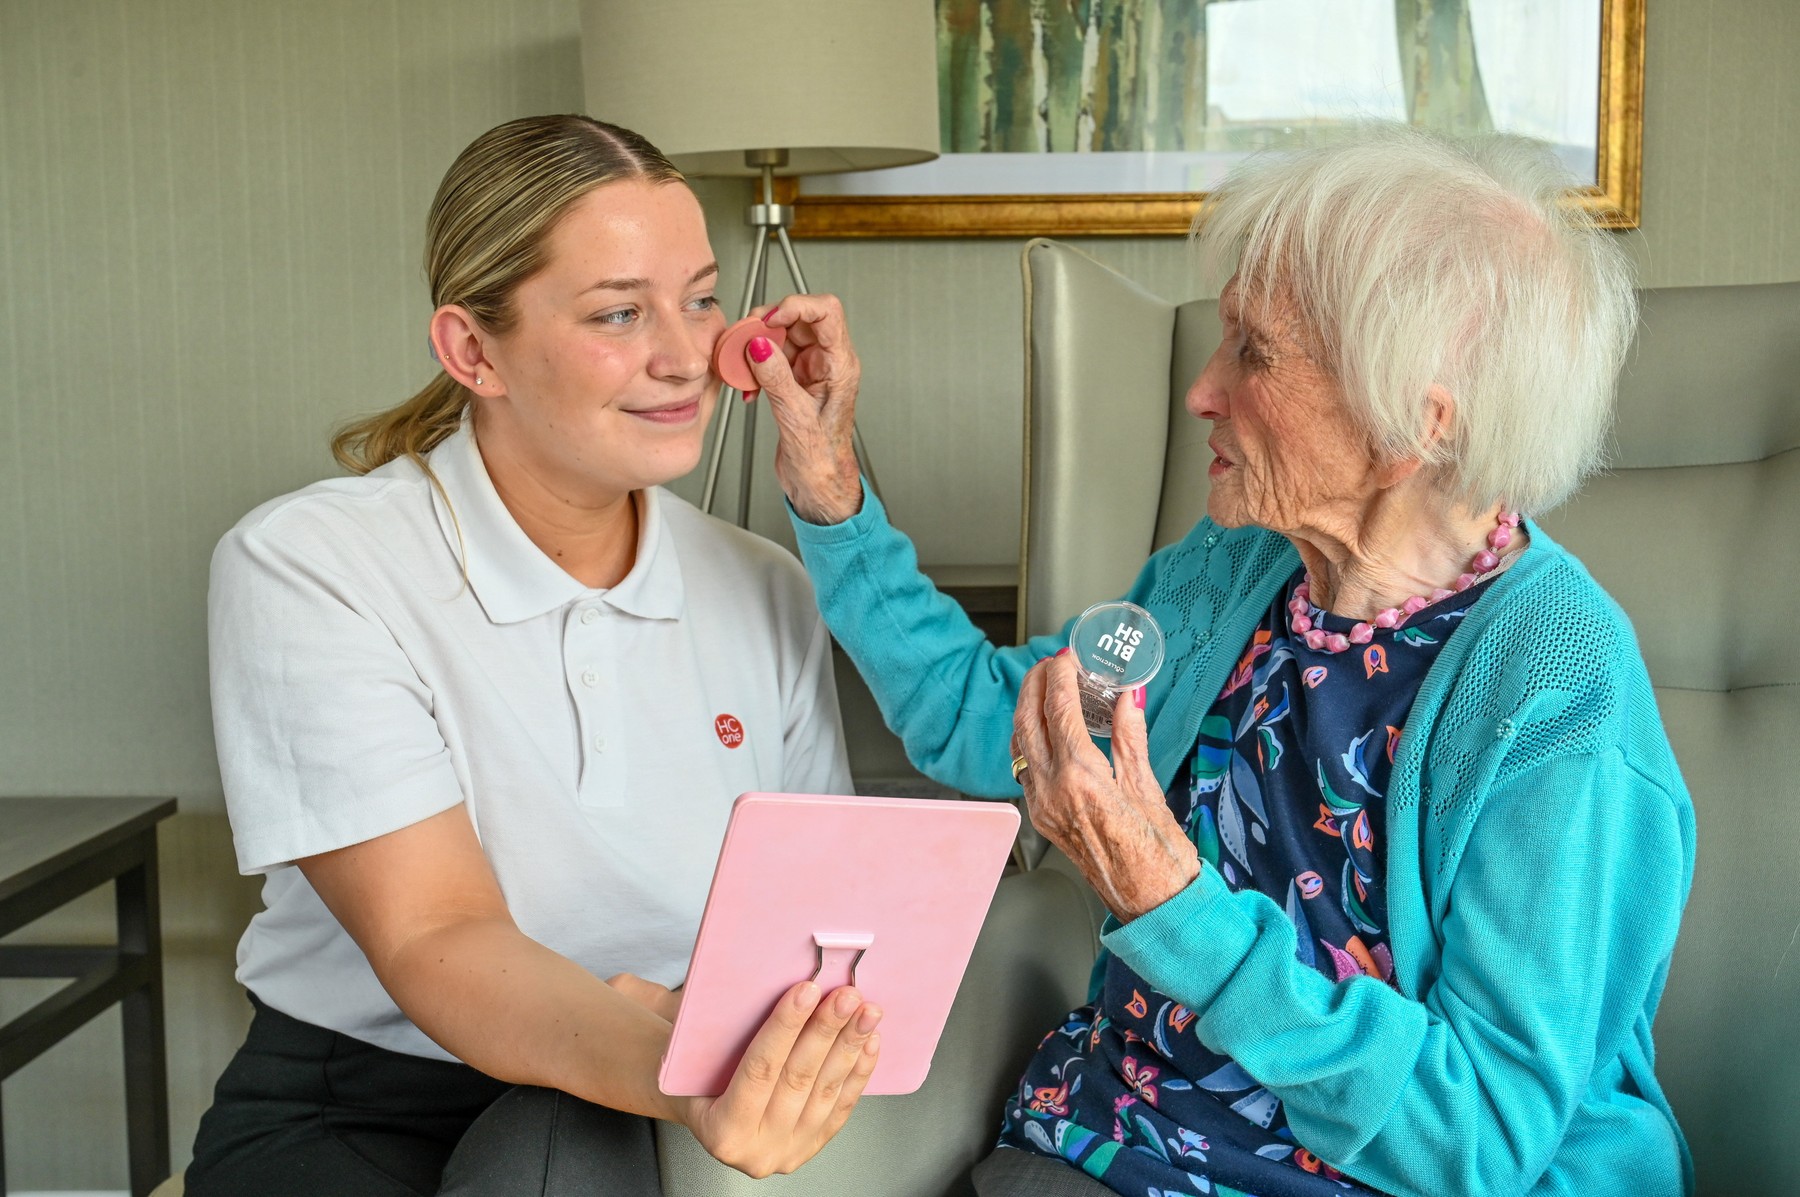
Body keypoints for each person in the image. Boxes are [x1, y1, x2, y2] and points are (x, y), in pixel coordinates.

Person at [748, 125, 1694, 1197]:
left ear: (1412, 425)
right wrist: (830, 492)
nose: (1201, 390)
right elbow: (987, 724)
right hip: (1113, 1151)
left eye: (1253, 350)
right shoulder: (1227, 576)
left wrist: (1170, 903)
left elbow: (1470, 1141)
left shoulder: (1557, 694)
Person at [186, 114, 882, 1197]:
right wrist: (683, 1075)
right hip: (378, 1107)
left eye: (700, 299)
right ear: (473, 350)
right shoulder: (311, 563)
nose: (679, 356)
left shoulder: (765, 585)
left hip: (679, 1111)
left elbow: (812, 916)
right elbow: (439, 935)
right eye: (618, 312)